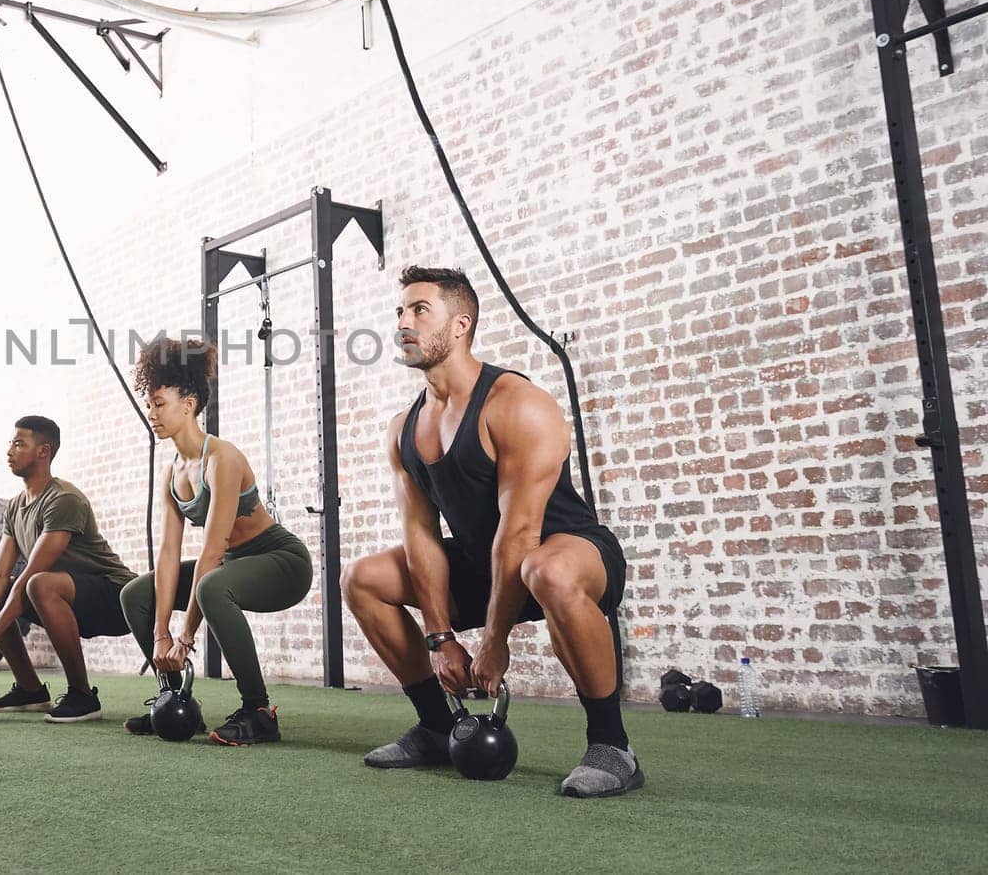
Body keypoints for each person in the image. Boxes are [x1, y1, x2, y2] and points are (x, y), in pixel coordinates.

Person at [343, 266, 639, 797]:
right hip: (486, 562)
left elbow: (521, 531)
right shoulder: (403, 429)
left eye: (419, 310)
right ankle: (437, 726)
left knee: (542, 567)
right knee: (362, 578)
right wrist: (440, 638)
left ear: (461, 325)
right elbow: (421, 536)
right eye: (399, 312)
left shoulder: (518, 404)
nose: (403, 324)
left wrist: (494, 641)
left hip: (569, 554)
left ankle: (612, 745)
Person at [119, 337, 314, 746]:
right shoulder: (173, 472)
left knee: (211, 582)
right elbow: (170, 555)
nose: (151, 413)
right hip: (228, 566)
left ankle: (258, 711)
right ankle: (174, 699)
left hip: (280, 562)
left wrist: (185, 638)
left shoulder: (221, 459)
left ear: (188, 404)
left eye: (159, 403)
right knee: (136, 593)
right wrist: (161, 636)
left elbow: (210, 552)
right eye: (149, 404)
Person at [0, 415, 137, 724]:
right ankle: (31, 691)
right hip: (67, 597)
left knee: (39, 583)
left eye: (19, 444)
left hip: (118, 598)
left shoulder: (64, 499)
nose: (9, 451)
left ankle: (83, 696)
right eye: (10, 443)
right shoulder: (15, 507)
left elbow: (29, 576)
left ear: (43, 452)